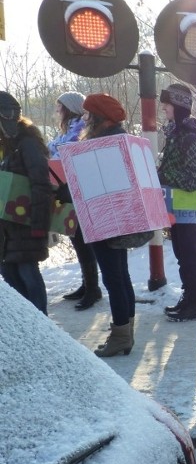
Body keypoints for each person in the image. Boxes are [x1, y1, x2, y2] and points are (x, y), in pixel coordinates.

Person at [81, 93, 136, 357]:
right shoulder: (121, 140)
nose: (84, 119)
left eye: (88, 115)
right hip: (119, 218)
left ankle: (121, 336)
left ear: (100, 119)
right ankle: (126, 333)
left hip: (105, 219)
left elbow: (100, 184)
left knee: (114, 279)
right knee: (121, 276)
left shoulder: (104, 145)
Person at [157, 83, 196, 322]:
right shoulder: (175, 134)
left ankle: (194, 304)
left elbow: (195, 178)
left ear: (178, 106)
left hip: (190, 208)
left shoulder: (189, 137)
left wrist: (165, 177)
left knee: (190, 255)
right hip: (178, 208)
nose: (164, 107)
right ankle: (188, 299)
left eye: (167, 103)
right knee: (182, 254)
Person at [48, 91, 103, 310]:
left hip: (78, 192)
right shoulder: (68, 131)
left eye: (59, 107)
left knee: (82, 240)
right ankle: (87, 284)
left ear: (69, 109)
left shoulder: (80, 131)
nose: (56, 112)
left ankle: (92, 288)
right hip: (66, 191)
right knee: (76, 238)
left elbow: (67, 158)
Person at [0, 91, 51, 315]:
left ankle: (43, 330)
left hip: (26, 223)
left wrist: (40, 225)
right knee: (10, 275)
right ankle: (27, 329)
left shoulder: (27, 143)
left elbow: (41, 184)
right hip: (6, 227)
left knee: (28, 273)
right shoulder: (6, 144)